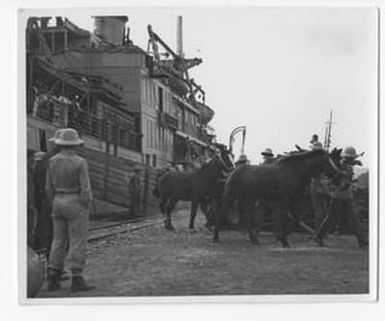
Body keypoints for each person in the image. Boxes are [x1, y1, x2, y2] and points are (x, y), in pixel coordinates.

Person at [46, 128, 95, 291]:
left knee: (58, 240)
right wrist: (86, 204)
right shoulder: (80, 162)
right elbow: (85, 189)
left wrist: (53, 201)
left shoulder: (52, 161)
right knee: (77, 239)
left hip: (57, 200)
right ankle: (76, 277)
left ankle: (53, 275)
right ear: (75, 144)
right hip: (75, 201)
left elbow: (48, 187)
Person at [33, 129, 63, 257]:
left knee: (48, 232)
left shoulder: (46, 158)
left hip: (44, 200)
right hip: (57, 201)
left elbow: (38, 181)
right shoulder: (63, 160)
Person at [331, 146, 368, 248]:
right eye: (350, 158)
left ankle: (362, 240)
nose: (352, 159)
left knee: (354, 218)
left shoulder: (346, 165)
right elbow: (343, 177)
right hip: (339, 195)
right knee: (330, 218)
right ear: (346, 158)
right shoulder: (341, 166)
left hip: (346, 196)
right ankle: (318, 236)